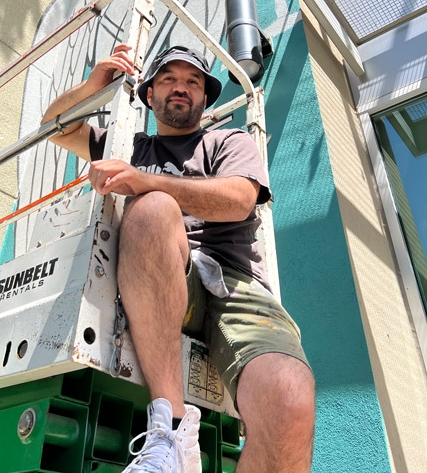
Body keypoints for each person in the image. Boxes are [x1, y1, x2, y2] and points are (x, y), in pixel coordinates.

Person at [42, 43, 315, 473]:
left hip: (235, 281)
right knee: (151, 210)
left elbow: (239, 201)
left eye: (193, 81)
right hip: (157, 276)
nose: (181, 88)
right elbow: (54, 129)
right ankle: (169, 435)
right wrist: (92, 87)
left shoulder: (229, 140)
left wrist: (145, 181)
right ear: (149, 94)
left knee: (290, 393)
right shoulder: (129, 146)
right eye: (169, 78)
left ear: (206, 98)